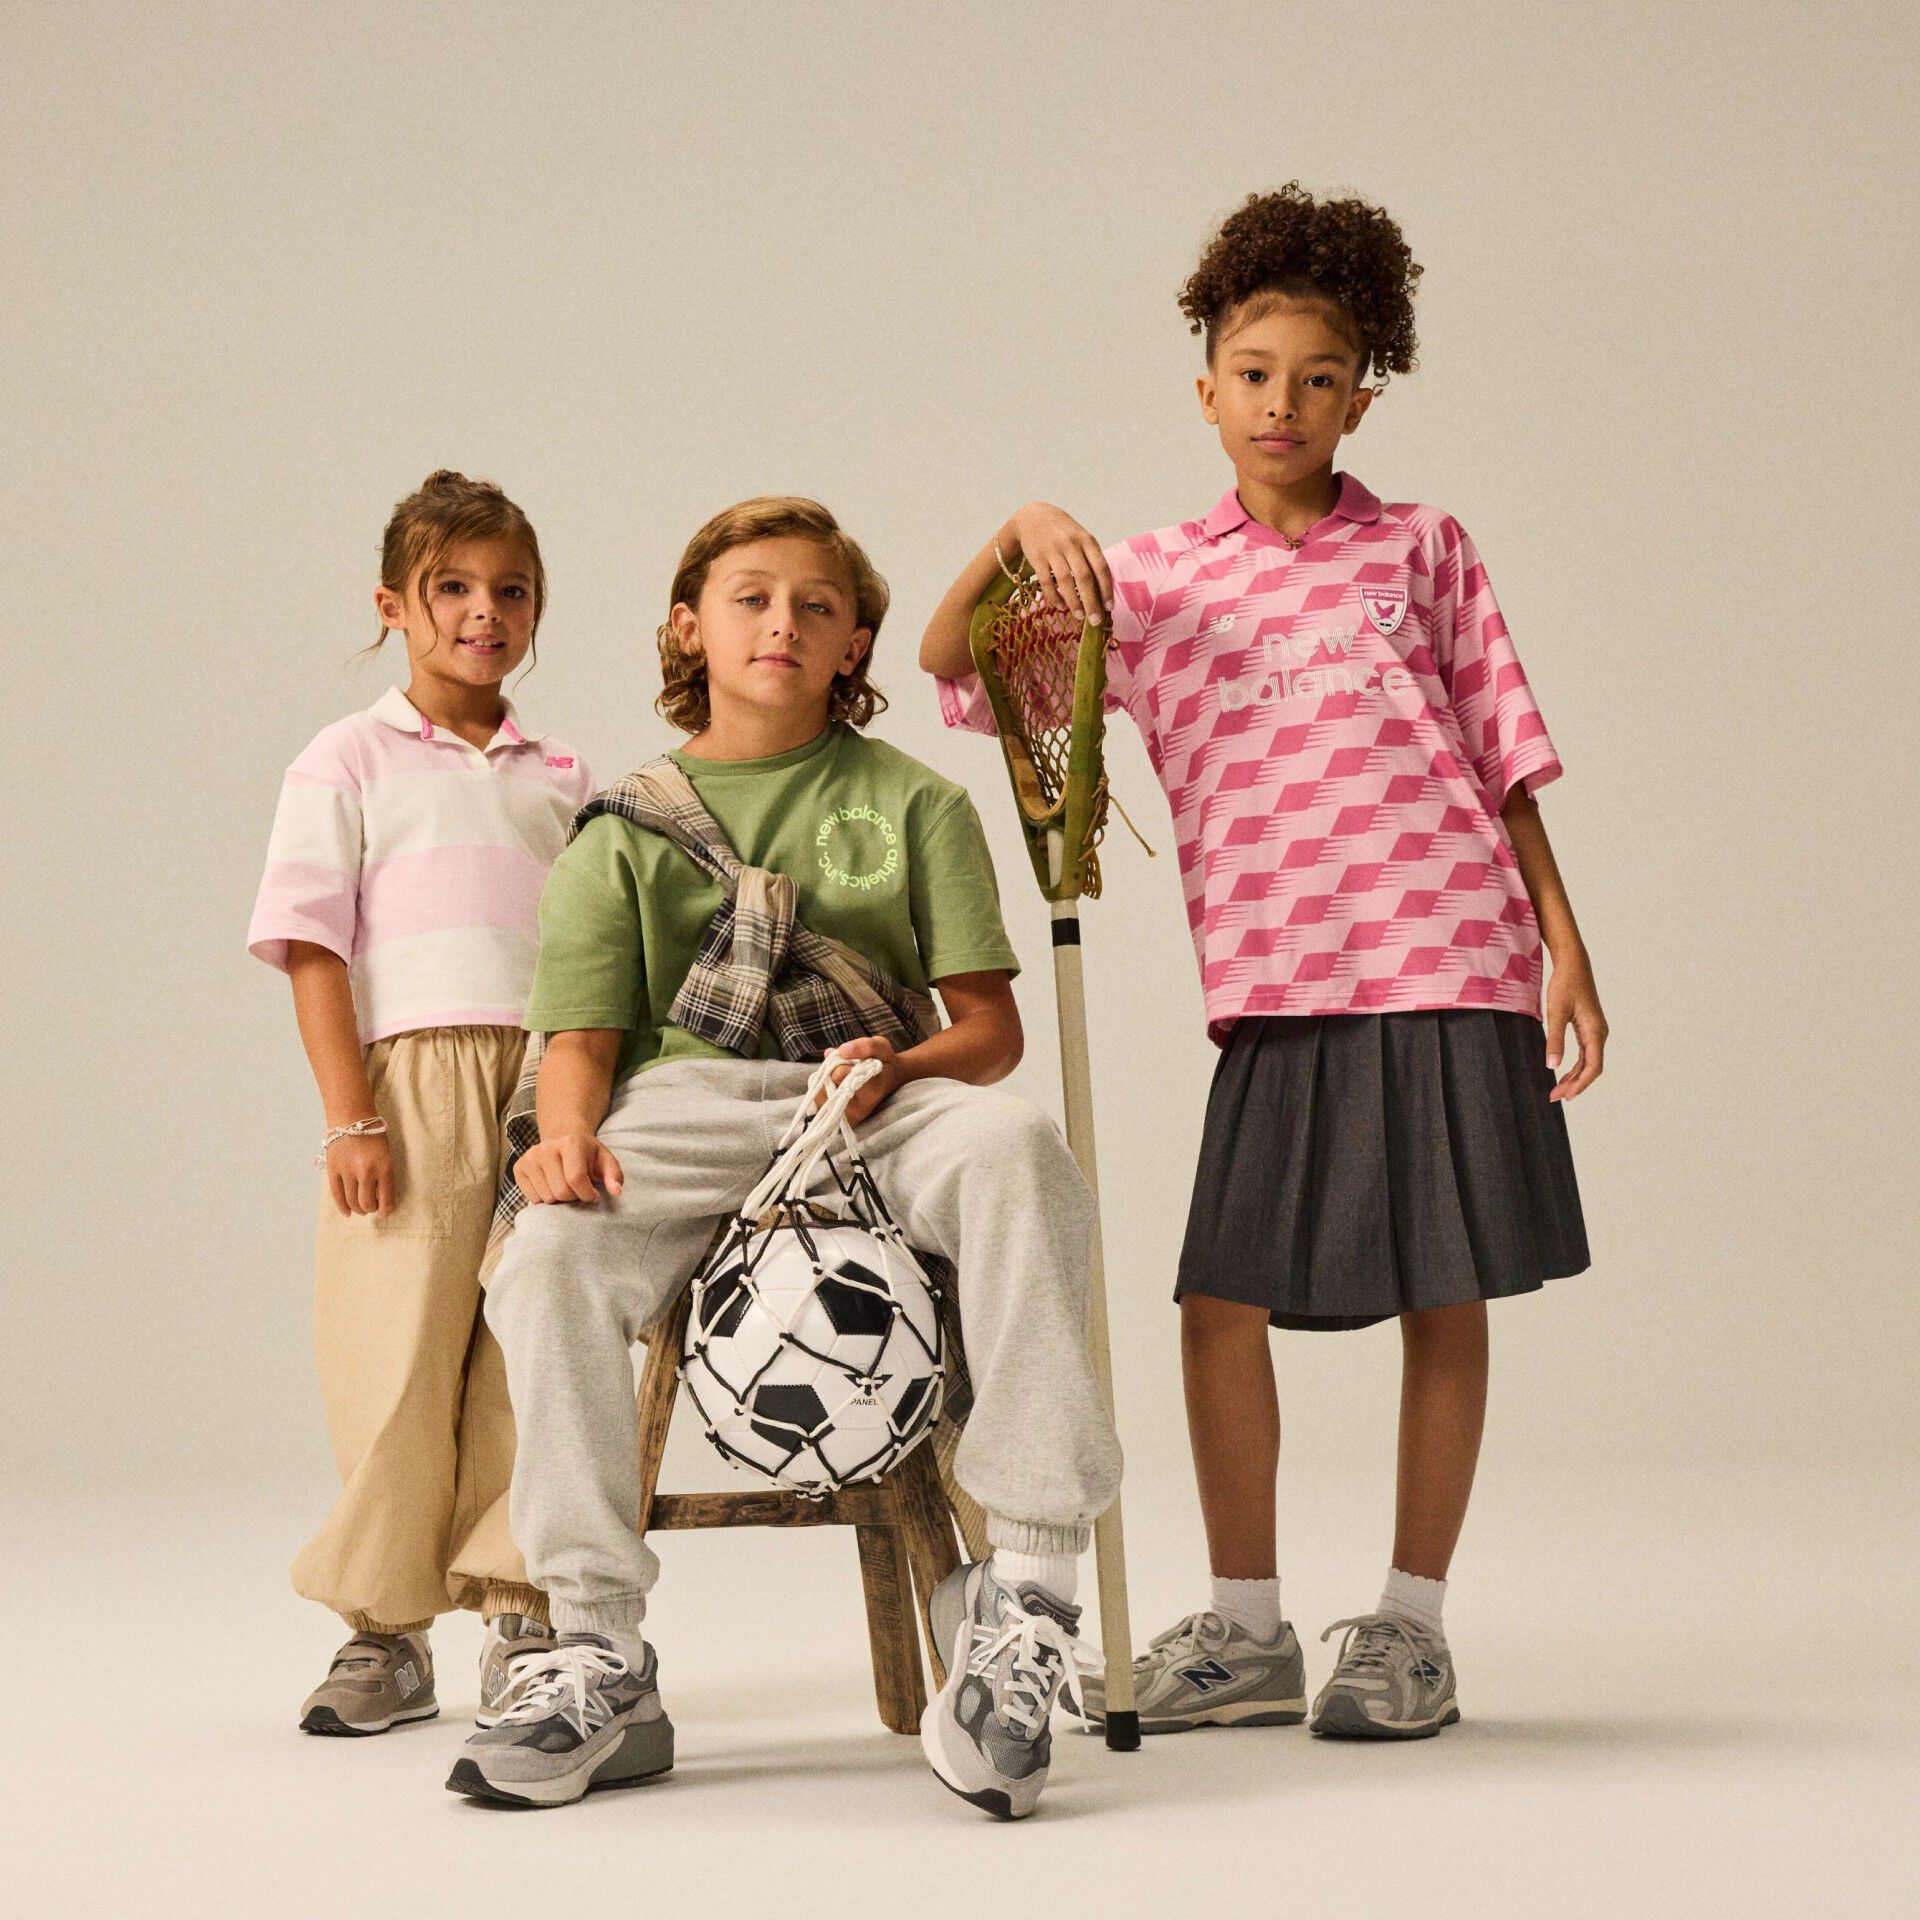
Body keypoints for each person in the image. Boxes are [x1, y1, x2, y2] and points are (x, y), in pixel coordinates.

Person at [919, 185, 1604, 1741]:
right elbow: (953, 665)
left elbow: (1500, 752)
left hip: (1450, 950)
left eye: (1319, 373)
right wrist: (1022, 524)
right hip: (1278, 977)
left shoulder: (1423, 546)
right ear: (1206, 386)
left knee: (1448, 1291)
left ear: (1363, 391)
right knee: (1219, 1301)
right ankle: (1247, 1630)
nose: (1282, 402)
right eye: (1252, 370)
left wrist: (1562, 942)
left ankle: (1412, 1629)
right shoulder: (1147, 583)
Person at [448, 497, 1122, 1817]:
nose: (782, 623)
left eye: (816, 605)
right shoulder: (624, 826)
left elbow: (986, 1035)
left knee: (1020, 1145)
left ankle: (1026, 1600)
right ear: (690, 627)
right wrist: (565, 1137)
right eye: (751, 597)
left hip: (874, 1093)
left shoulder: (916, 802)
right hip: (690, 1113)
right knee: (547, 1259)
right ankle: (593, 1645)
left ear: (855, 640)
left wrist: (901, 1067)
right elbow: (580, 1040)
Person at [248, 471, 593, 1735]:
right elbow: (313, 946)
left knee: (524, 1354)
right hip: (409, 1080)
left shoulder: (563, 773)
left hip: (542, 1079)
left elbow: (595, 951)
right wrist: (351, 1116)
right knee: (393, 1357)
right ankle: (383, 1635)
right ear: (396, 603)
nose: (482, 612)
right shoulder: (345, 757)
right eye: (452, 588)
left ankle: (519, 1610)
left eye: (510, 591)